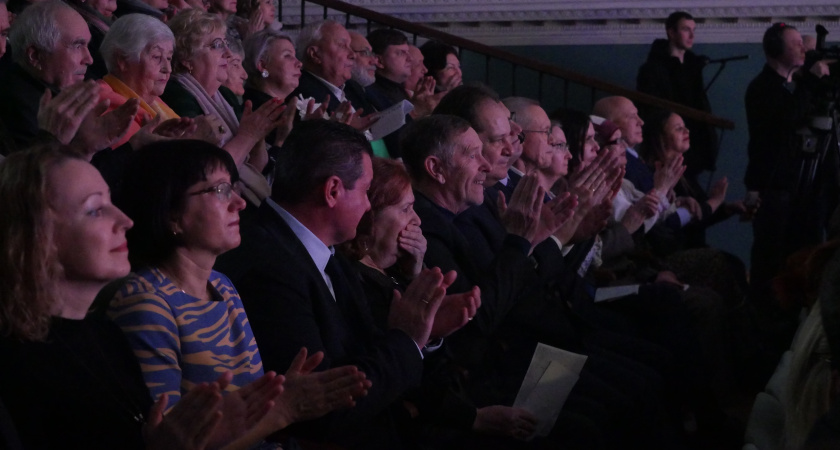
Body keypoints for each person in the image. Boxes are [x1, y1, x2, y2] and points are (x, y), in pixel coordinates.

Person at [105, 139, 370, 449]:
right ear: (172, 213)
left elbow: (248, 419)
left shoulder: (223, 285)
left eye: (233, 187)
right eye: (219, 191)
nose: (239, 202)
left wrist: (281, 399)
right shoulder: (147, 304)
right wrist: (284, 409)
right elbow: (176, 444)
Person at [215, 120, 453, 449]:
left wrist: (424, 333)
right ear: (332, 191)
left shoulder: (326, 249)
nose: (370, 206)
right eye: (366, 192)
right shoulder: (267, 267)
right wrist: (406, 340)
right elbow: (324, 408)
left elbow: (367, 349)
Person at [0, 145, 250, 449]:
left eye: (111, 201)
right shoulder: (16, 363)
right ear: (38, 237)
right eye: (95, 210)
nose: (125, 220)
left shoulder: (105, 334)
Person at [745, 22, 833, 314]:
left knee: (806, 256)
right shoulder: (762, 88)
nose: (802, 48)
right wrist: (809, 79)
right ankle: (765, 321)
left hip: (803, 190)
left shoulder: (795, 87)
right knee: (772, 262)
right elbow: (789, 119)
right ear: (775, 49)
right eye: (795, 42)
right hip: (777, 190)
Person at [0, 0, 139, 154]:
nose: (89, 59)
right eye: (77, 45)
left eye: (87, 45)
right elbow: (38, 175)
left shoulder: (58, 96)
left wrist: (134, 145)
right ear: (35, 56)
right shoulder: (18, 107)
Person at [162, 8, 289, 170]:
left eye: (225, 43)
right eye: (217, 45)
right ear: (186, 58)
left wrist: (258, 138)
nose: (228, 53)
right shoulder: (177, 94)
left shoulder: (225, 94)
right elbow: (208, 170)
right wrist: (249, 135)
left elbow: (259, 168)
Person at [636, 11, 717, 180]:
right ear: (671, 32)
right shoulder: (652, 70)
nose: (692, 35)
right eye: (686, 29)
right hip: (666, 141)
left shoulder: (693, 68)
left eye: (693, 30)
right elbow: (650, 109)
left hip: (693, 141)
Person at [97, 13, 181, 147]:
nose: (168, 68)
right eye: (156, 57)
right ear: (123, 60)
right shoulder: (109, 107)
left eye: (169, 58)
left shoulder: (152, 100)